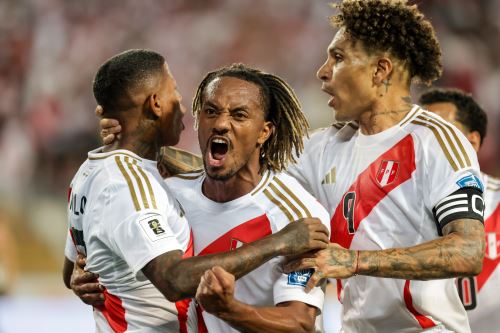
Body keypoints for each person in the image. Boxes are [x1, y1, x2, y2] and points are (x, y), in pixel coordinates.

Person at [63, 50, 329, 332]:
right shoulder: (168, 191)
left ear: (264, 132)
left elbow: (300, 325)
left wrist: (231, 311)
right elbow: (172, 277)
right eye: (210, 111)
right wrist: (93, 271)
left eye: (239, 115)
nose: (221, 123)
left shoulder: (298, 217)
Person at [282, 1, 485, 332]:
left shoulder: (435, 141)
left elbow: (468, 250)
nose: (323, 71)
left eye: (338, 57)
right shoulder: (322, 148)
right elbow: (243, 177)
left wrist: (355, 261)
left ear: (380, 70)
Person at [419, 87, 500, 333]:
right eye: (418, 135)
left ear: (472, 142)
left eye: (440, 133)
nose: (425, 145)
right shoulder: (391, 211)